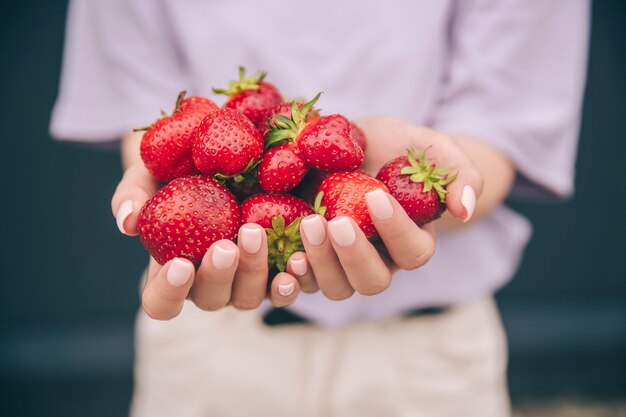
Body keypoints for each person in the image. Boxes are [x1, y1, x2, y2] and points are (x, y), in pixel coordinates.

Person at [50, 1, 589, 416]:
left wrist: (437, 176)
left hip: (429, 362)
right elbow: (146, 118)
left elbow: (498, 129)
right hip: (209, 348)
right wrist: (187, 180)